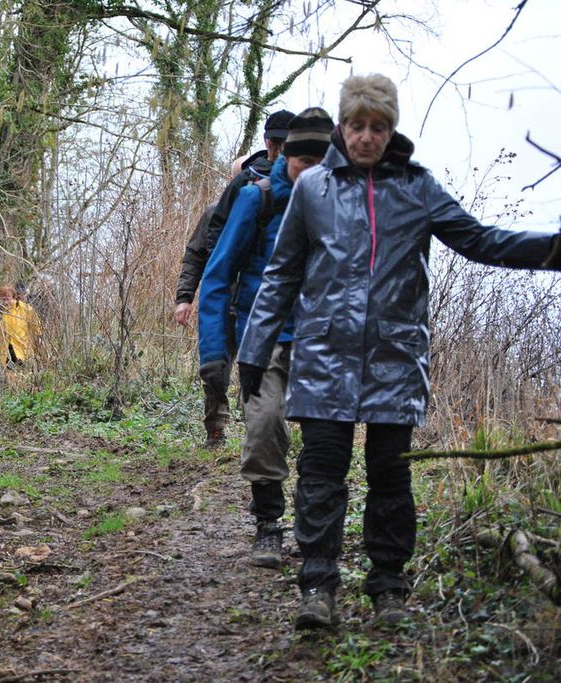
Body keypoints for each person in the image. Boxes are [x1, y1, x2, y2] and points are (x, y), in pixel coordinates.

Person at [236, 74, 561, 630]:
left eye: (378, 127)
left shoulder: (418, 188)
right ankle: (317, 584)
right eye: (357, 126)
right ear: (342, 128)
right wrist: (253, 350)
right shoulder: (313, 189)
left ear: (391, 131)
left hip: (394, 359)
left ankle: (388, 587)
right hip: (322, 358)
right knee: (320, 473)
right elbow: (282, 274)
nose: (366, 137)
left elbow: (480, 240)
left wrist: (552, 246)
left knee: (390, 476)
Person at [199, 108, 334, 569]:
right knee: (263, 428)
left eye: (321, 161)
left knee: (322, 445)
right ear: (286, 157)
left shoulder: (344, 200)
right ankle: (268, 526)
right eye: (302, 161)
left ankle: (314, 538)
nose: (310, 171)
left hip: (322, 342)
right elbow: (217, 275)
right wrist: (213, 353)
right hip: (265, 339)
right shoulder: (258, 198)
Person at [174, 109, 295, 449]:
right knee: (216, 371)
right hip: (225, 300)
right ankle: (216, 429)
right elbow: (198, 256)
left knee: (255, 371)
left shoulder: (296, 198)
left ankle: (258, 434)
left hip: (258, 305)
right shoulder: (219, 212)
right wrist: (185, 298)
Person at [0, 283, 41, 367]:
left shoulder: (26, 309)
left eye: (8, 299)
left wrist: (37, 350)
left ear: (14, 297)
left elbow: (37, 330)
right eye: (3, 299)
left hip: (23, 351)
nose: (5, 302)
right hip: (5, 353)